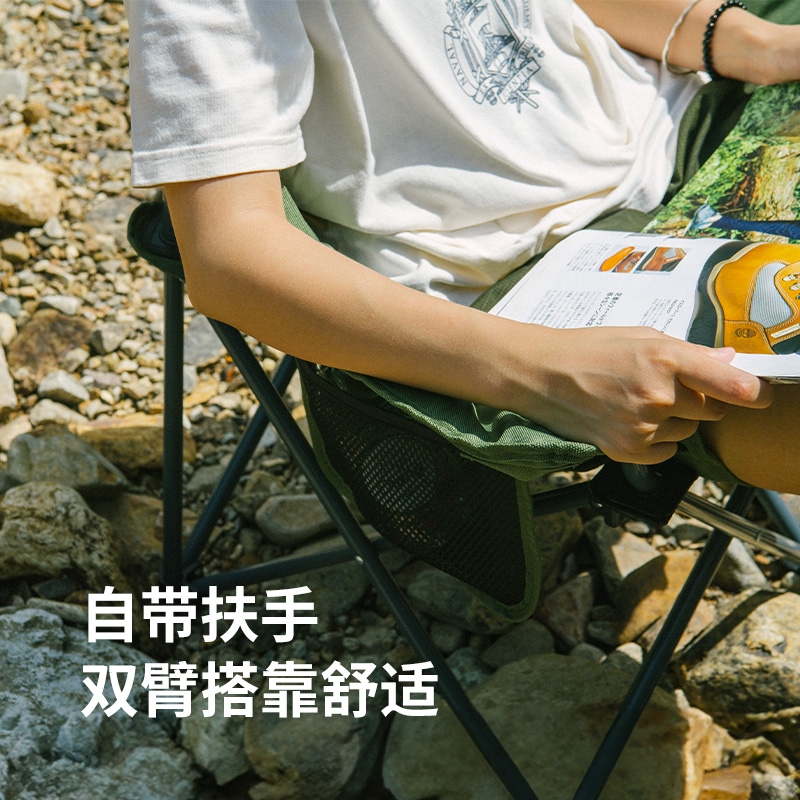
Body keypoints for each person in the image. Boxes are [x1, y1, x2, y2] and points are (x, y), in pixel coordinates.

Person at [124, 0, 800, 494]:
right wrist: (547, 373)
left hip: (695, 120)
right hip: (537, 282)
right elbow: (230, 256)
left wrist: (757, 44)